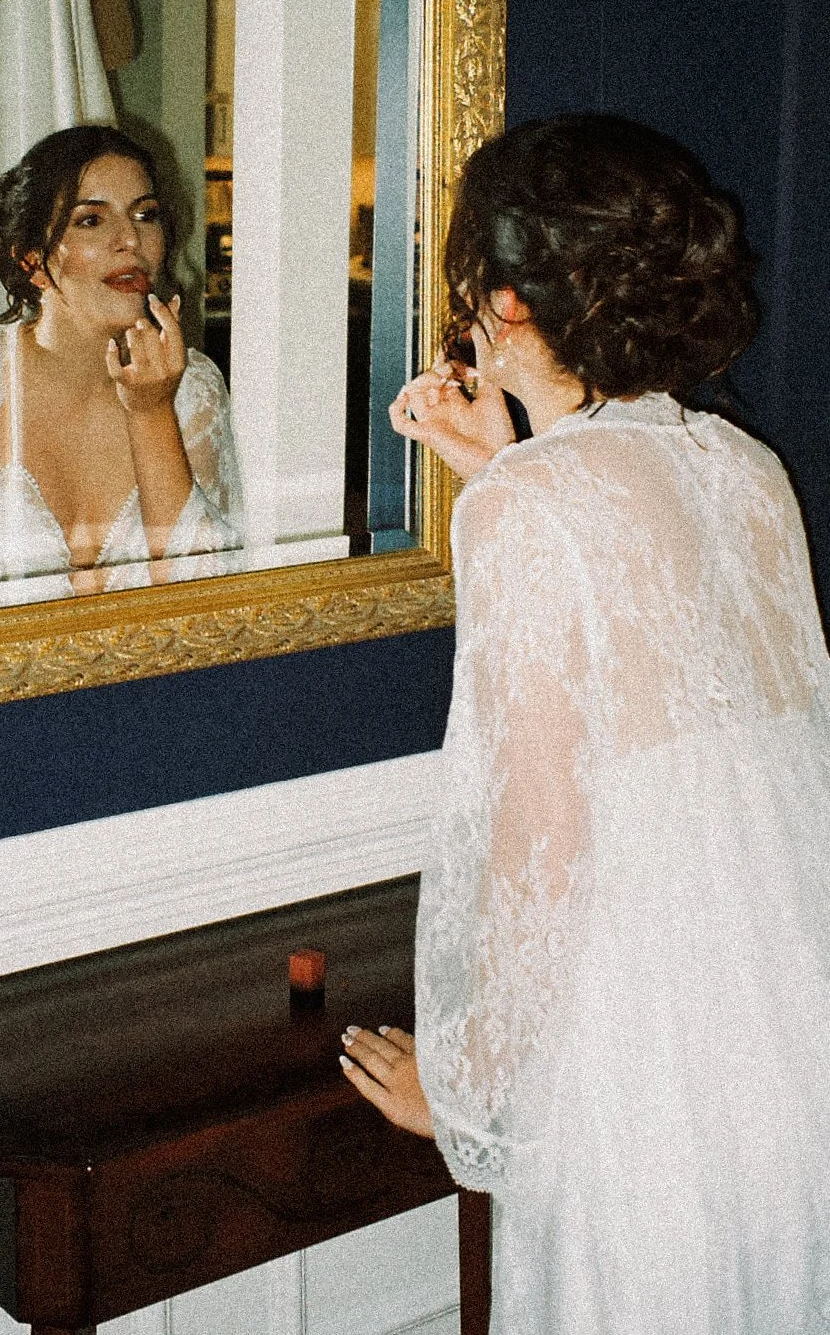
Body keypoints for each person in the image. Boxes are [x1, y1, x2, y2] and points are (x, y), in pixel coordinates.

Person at [338, 114, 830, 1333]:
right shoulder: (741, 465)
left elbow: (540, 838)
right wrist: (500, 472)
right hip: (793, 1015)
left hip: (651, 1052)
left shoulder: (532, 506)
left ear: (500, 302)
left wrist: (470, 1095)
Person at [0, 124, 241, 609]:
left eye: (146, 215)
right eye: (91, 221)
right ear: (32, 261)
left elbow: (206, 603)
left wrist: (152, 413)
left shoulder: (194, 386)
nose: (131, 240)